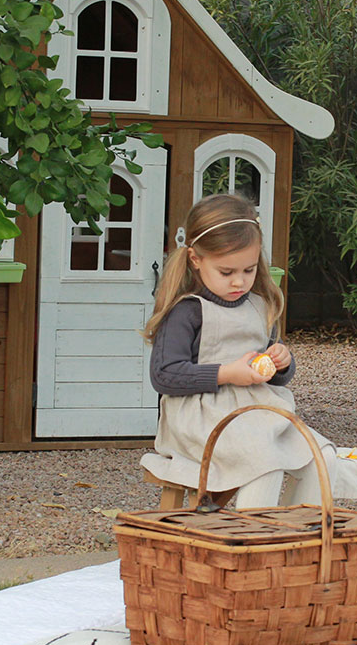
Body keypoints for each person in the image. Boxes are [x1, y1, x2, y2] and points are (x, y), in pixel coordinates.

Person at [142, 193, 335, 509]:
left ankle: (297, 538)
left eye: (249, 270)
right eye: (227, 272)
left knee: (323, 457)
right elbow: (164, 375)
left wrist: (280, 363)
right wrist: (228, 373)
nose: (240, 282)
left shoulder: (260, 306)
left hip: (258, 413)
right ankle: (249, 547)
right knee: (265, 462)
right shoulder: (188, 311)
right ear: (195, 259)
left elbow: (270, 372)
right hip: (202, 420)